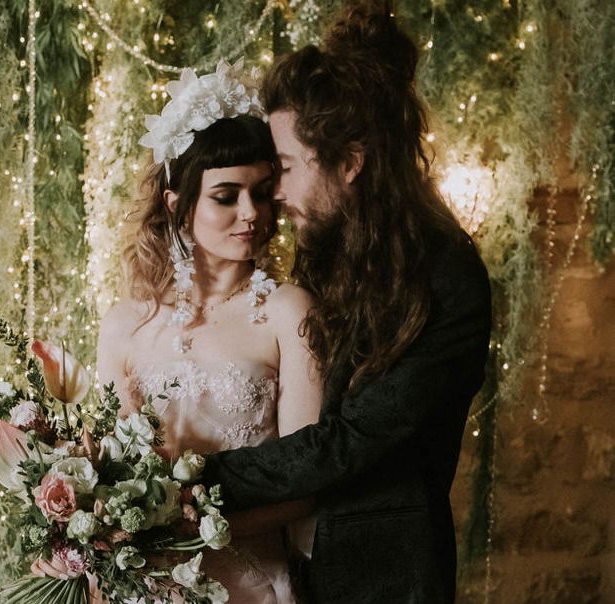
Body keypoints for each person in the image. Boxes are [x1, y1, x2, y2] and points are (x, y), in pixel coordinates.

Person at [201, 2, 493, 603]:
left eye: (283, 170)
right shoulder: (336, 249)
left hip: (384, 581)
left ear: (352, 162)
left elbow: (345, 442)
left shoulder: (445, 273)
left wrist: (197, 478)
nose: (274, 196)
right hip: (297, 573)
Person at [34, 61, 323, 603]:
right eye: (226, 195)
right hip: (141, 587)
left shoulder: (288, 312)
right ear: (178, 205)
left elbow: (306, 483)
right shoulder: (125, 324)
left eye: (262, 192)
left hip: (248, 584)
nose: (252, 213)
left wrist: (187, 533)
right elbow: (105, 467)